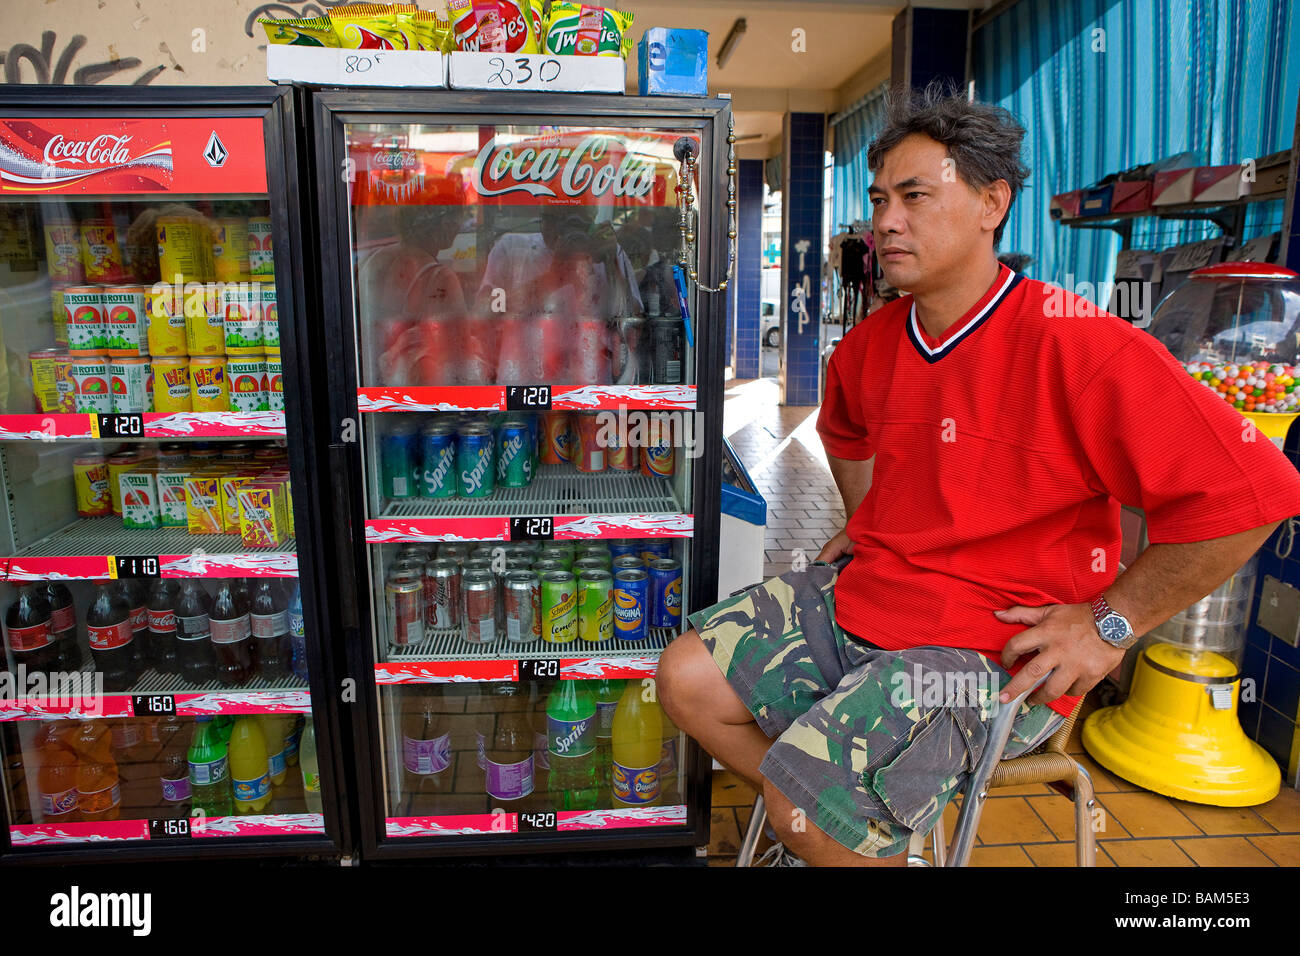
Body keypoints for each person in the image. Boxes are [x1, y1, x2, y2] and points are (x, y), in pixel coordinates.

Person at [656, 81, 1300, 867]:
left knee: (807, 804)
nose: (885, 220)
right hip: (872, 597)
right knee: (687, 681)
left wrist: (1111, 624)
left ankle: (834, 828)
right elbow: (846, 433)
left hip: (992, 649)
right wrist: (864, 522)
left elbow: (1257, 493)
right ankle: (857, 834)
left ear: (992, 202)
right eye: (880, 197)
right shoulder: (867, 347)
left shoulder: (1083, 346)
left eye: (917, 195)